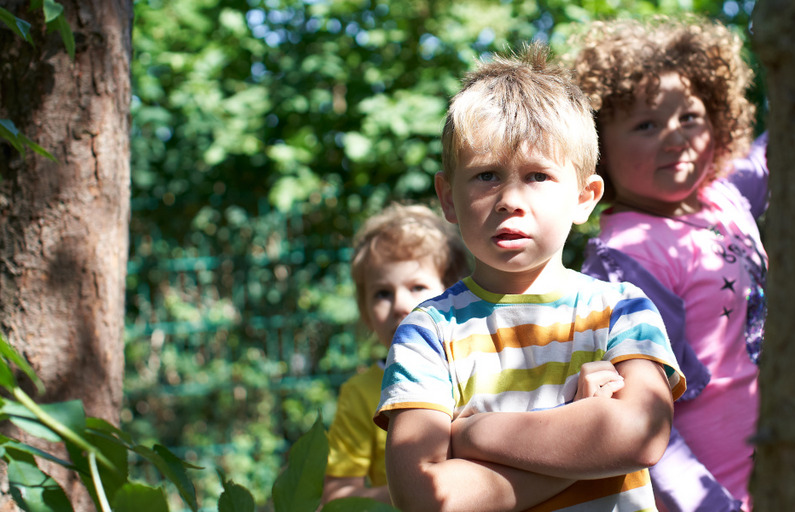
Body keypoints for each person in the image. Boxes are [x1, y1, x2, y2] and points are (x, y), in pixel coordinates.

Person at [373, 42, 687, 512]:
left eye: (538, 176)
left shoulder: (622, 309)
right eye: (486, 176)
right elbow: (425, 497)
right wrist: (583, 437)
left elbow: (639, 435)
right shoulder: (428, 332)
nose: (509, 199)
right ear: (448, 198)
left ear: (586, 196)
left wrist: (473, 433)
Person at [570, 15, 768, 512]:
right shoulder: (629, 257)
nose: (675, 136)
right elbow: (640, 415)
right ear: (599, 150)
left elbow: (778, 151)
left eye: (690, 117)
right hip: (714, 489)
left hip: (783, 463)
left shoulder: (721, 195)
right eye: (646, 124)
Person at [321, 202, 470, 506]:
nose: (401, 305)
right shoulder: (360, 393)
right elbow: (336, 498)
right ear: (365, 310)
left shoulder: (478, 366)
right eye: (382, 293)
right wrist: (415, 493)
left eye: (417, 287)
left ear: (453, 292)